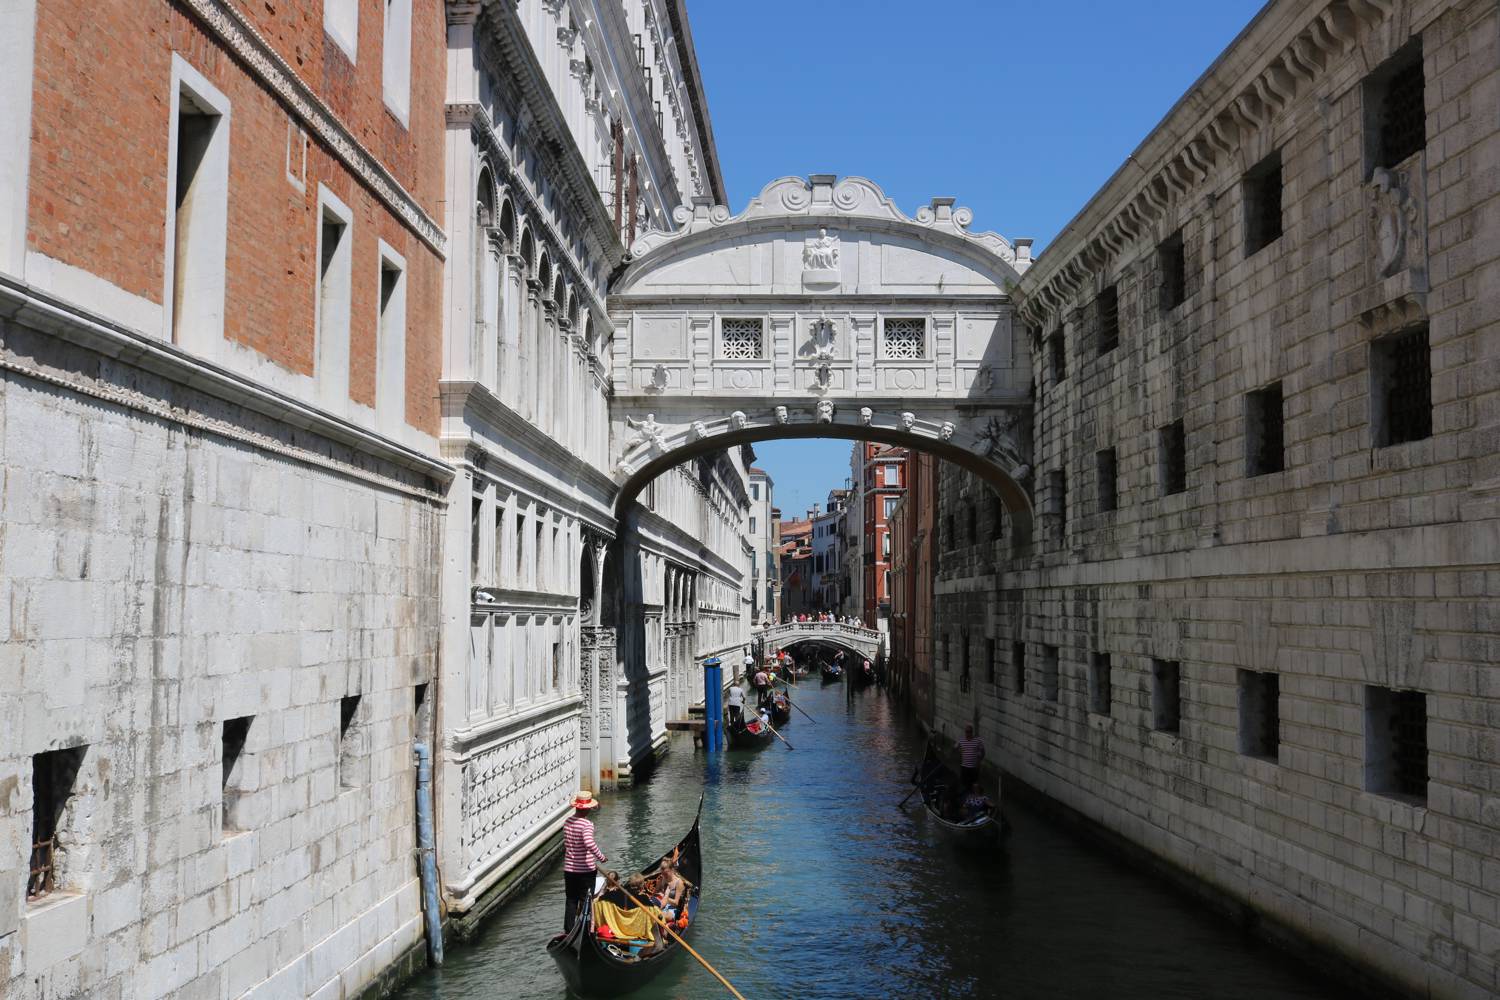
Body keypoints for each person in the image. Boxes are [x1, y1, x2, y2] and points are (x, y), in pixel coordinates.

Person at [562, 791, 607, 932]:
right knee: (586, 901)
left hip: (569, 869)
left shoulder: (568, 822)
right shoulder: (587, 824)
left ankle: (568, 930)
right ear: (587, 808)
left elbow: (568, 844)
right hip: (585, 871)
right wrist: (601, 857)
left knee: (571, 901)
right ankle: (587, 929)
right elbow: (589, 843)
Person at [956, 724, 985, 791]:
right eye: (966, 731)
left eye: (969, 732)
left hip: (974, 767)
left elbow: (983, 752)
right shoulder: (961, 740)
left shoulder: (978, 741)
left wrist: (979, 761)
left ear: (972, 732)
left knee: (974, 784)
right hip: (964, 766)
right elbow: (955, 748)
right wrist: (959, 753)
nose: (967, 733)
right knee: (964, 783)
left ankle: (973, 796)